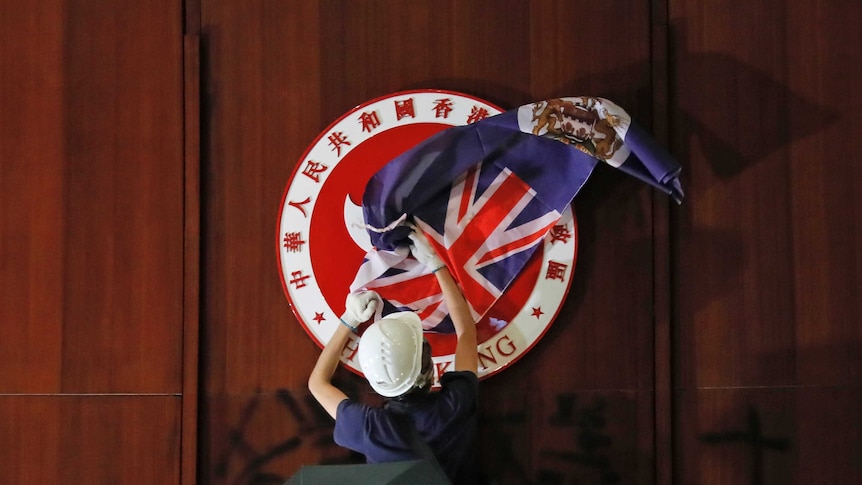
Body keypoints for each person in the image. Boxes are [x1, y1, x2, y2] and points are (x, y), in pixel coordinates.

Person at [308, 225, 480, 484]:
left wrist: (350, 319)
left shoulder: (369, 428)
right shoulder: (454, 407)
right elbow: (466, 330)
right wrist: (436, 264)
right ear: (429, 369)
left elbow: (317, 384)